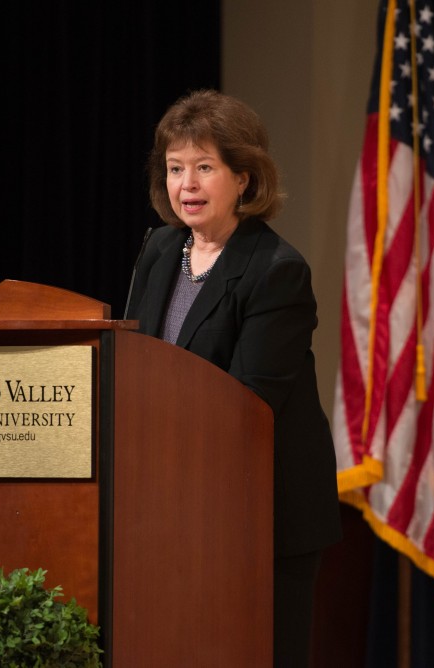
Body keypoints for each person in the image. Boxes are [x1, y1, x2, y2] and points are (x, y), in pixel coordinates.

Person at [124, 89, 343, 667]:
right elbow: (139, 361)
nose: (186, 185)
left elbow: (244, 406)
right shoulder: (161, 247)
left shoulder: (277, 271)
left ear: (244, 178)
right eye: (175, 169)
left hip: (263, 515)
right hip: (175, 506)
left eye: (204, 168)